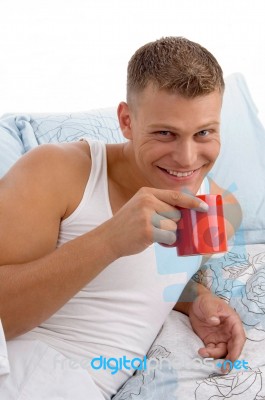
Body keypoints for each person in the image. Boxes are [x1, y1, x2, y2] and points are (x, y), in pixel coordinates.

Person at [0, 37, 245, 399]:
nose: (187, 158)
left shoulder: (217, 204)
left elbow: (157, 282)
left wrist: (199, 303)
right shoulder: (56, 171)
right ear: (126, 121)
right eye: (166, 133)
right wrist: (110, 240)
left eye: (204, 132)